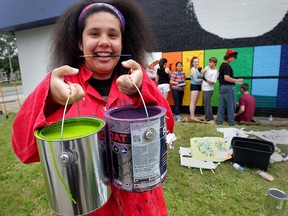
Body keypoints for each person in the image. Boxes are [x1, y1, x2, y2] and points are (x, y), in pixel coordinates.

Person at [11, 1, 174, 215]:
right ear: (80, 42)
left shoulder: (138, 81)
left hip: (141, 206)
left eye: (113, 35)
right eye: (94, 34)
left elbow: (168, 128)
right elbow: (24, 150)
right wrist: (49, 95)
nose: (104, 42)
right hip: (86, 208)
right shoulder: (61, 86)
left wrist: (142, 90)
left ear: (123, 43)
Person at [216, 50, 243, 126]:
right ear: (229, 57)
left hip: (222, 87)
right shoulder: (227, 66)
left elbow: (218, 76)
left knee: (221, 105)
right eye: (233, 57)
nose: (234, 59)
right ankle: (231, 122)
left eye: (234, 57)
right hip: (228, 87)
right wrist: (237, 80)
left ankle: (219, 121)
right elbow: (226, 78)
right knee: (231, 105)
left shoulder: (222, 65)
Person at [201, 57, 218, 122]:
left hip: (208, 89)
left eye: (210, 62)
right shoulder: (208, 67)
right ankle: (210, 116)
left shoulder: (215, 72)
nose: (209, 63)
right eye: (209, 62)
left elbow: (211, 83)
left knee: (207, 104)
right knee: (207, 103)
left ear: (214, 63)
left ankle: (208, 117)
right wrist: (201, 70)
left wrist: (204, 78)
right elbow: (203, 71)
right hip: (205, 88)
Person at [189, 57, 203, 122]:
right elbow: (196, 80)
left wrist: (202, 73)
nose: (197, 63)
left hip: (198, 86)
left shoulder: (197, 69)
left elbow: (200, 76)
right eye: (195, 62)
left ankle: (193, 115)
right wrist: (204, 79)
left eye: (197, 62)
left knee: (195, 102)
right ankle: (192, 116)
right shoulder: (193, 69)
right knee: (193, 101)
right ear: (192, 63)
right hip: (194, 86)